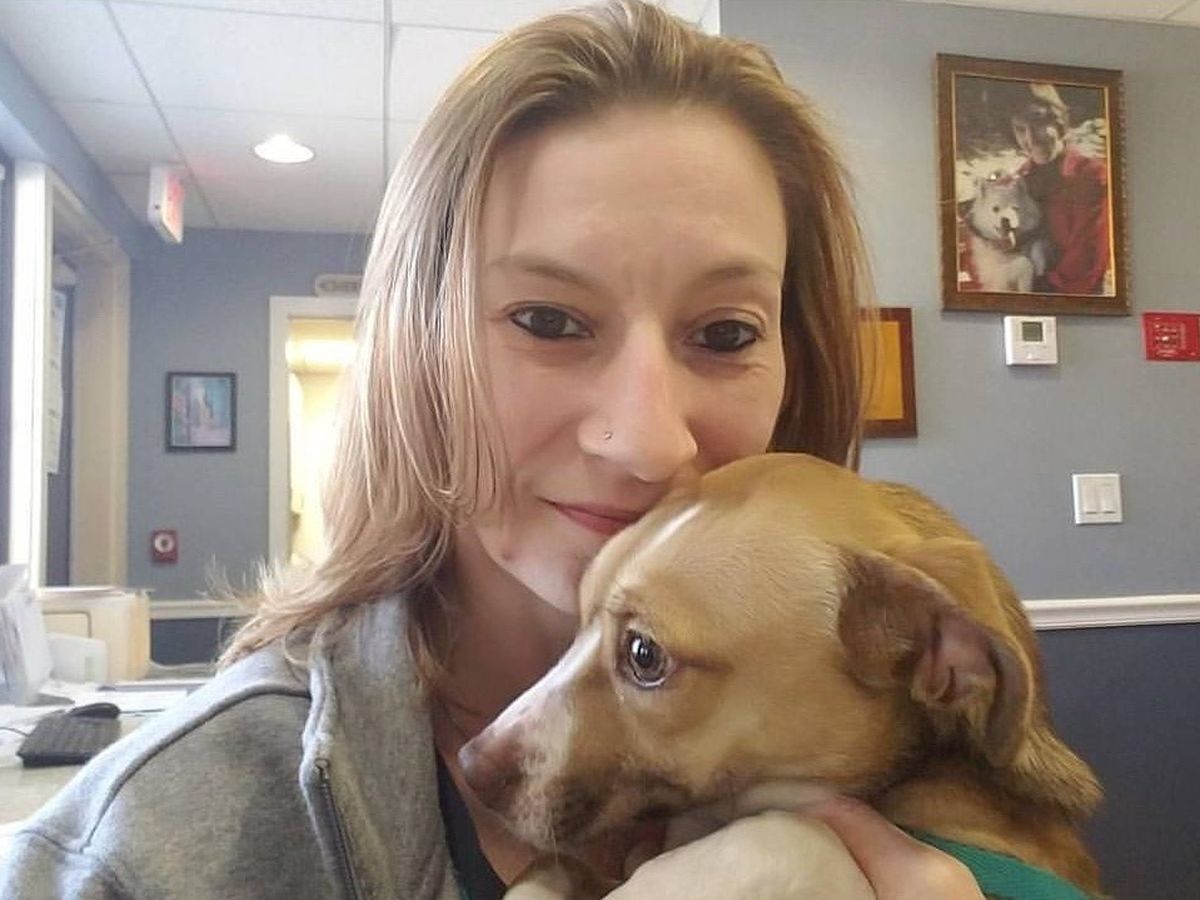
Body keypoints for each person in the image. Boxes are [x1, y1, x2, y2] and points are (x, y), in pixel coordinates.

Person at [0, 3, 984, 898]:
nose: (647, 442)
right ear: (416, 349)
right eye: (548, 319)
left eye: (725, 334)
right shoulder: (143, 855)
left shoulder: (912, 730)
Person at [1010, 83, 1111, 295]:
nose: (1029, 139)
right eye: (1020, 129)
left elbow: (1087, 257)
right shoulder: (1020, 179)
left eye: (1038, 125)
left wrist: (1040, 288)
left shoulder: (1091, 176)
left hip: (1073, 299)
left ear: (1060, 124)